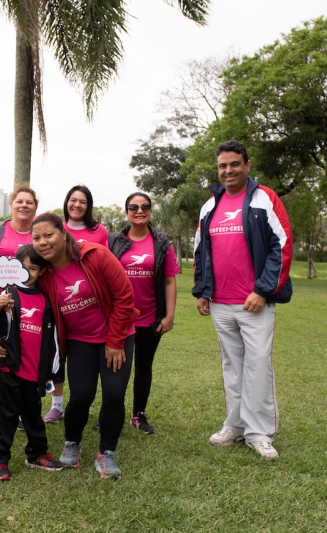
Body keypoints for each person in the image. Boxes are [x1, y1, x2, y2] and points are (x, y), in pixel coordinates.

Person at [192, 139, 293, 461]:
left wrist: (263, 290)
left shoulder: (265, 198)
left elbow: (282, 245)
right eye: (223, 165)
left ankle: (259, 433)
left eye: (235, 164)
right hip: (220, 302)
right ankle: (235, 425)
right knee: (232, 366)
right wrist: (202, 290)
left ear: (247, 165)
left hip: (254, 303)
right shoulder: (210, 206)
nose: (228, 170)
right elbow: (200, 250)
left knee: (258, 365)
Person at [30, 213, 137, 479]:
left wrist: (115, 341)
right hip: (79, 340)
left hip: (117, 334)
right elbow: (25, 298)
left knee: (113, 394)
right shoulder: (42, 271)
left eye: (48, 235)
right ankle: (72, 443)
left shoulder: (95, 255)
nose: (43, 242)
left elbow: (124, 296)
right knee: (81, 394)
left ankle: (106, 454)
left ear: (63, 233)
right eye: (36, 238)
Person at [0, 245, 63, 481]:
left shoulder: (45, 300)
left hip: (34, 372)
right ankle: (0, 459)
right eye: (23, 267)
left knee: (33, 416)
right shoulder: (7, 294)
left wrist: (52, 369)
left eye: (34, 268)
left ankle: (36, 454)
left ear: (42, 271)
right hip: (10, 369)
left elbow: (53, 337)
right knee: (6, 416)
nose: (28, 272)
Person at [108, 192, 180, 434]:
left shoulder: (162, 243)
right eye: (134, 207)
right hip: (120, 319)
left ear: (150, 210)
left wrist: (169, 317)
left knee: (143, 367)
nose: (140, 211)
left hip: (150, 319)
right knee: (116, 368)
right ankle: (112, 412)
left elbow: (169, 281)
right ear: (126, 211)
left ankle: (138, 414)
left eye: (145, 206)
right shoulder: (113, 241)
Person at [42, 185, 110, 424]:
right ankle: (57, 405)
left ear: (88, 205)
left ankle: (99, 408)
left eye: (82, 201)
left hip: (88, 305)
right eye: (73, 200)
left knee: (88, 368)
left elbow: (104, 265)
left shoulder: (99, 231)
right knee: (57, 357)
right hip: (59, 302)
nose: (77, 205)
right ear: (66, 202)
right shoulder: (57, 228)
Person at [0, 186, 39, 430]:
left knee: (23, 358)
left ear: (35, 207)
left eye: (29, 202)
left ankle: (21, 412)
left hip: (26, 307)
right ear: (12, 205)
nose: (24, 205)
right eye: (19, 201)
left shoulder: (38, 234)